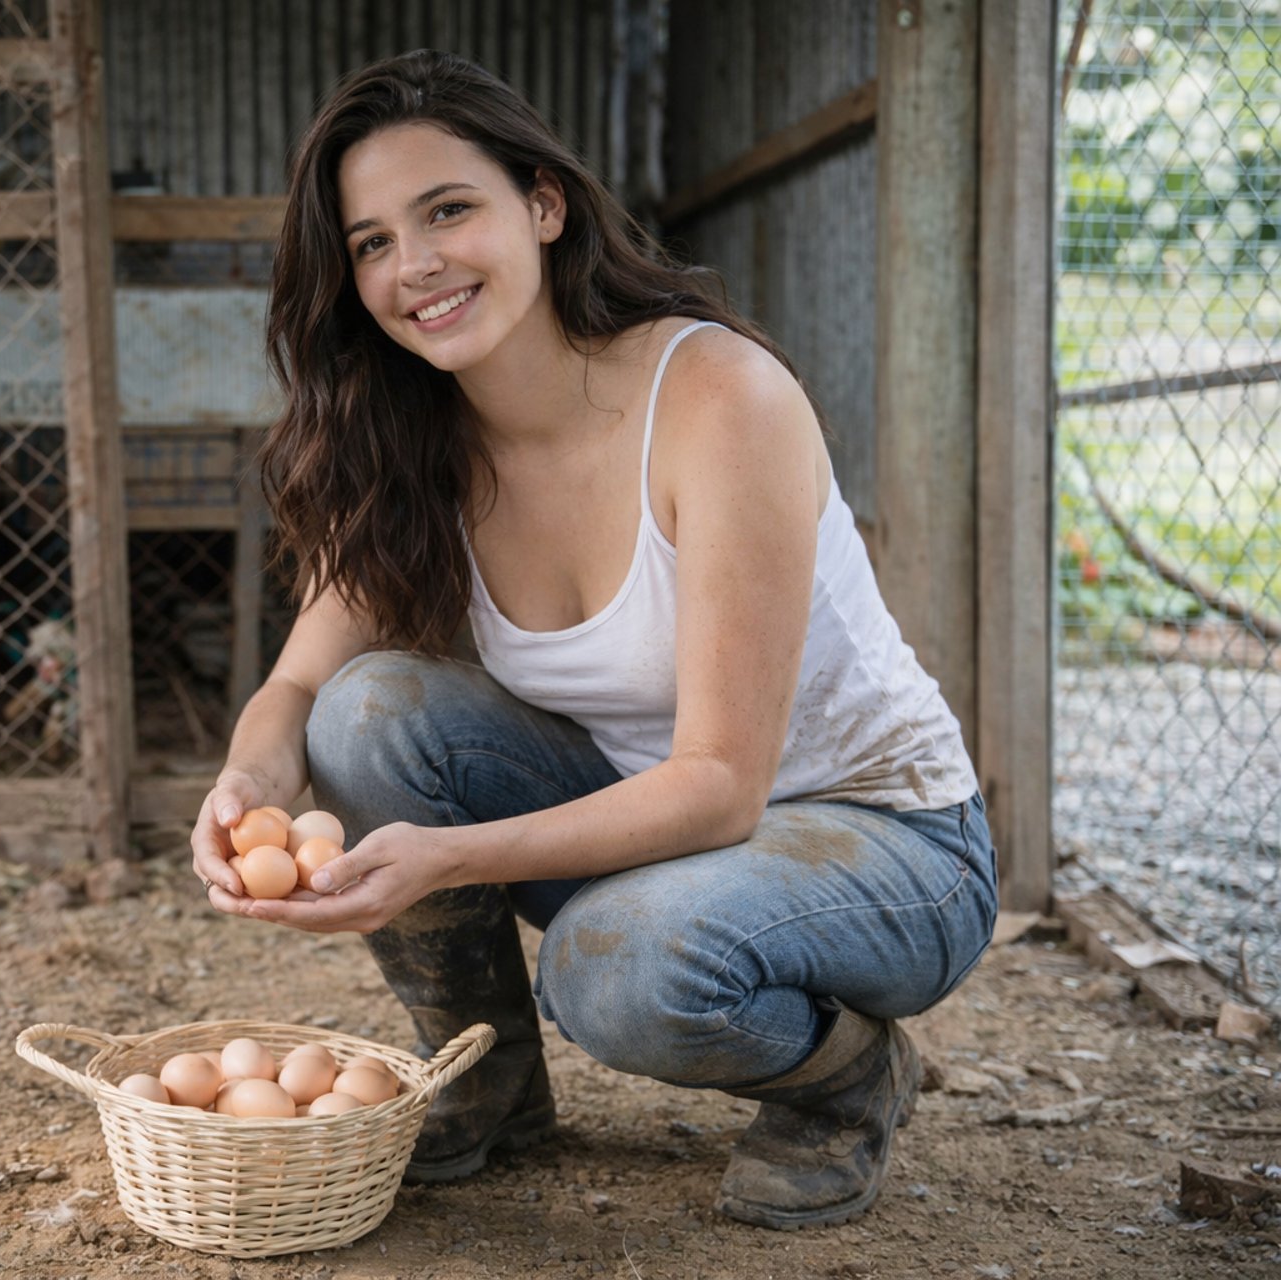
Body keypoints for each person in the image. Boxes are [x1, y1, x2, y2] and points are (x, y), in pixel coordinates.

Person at [188, 49, 997, 1231]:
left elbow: (721, 786)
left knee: (611, 969)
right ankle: (490, 1083)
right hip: (661, 820)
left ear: (545, 205)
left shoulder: (718, 399)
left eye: (448, 210)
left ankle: (847, 1077)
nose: (414, 266)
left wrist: (446, 856)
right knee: (363, 711)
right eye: (369, 242)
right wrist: (248, 779)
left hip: (889, 841)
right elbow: (301, 679)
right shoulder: (414, 443)